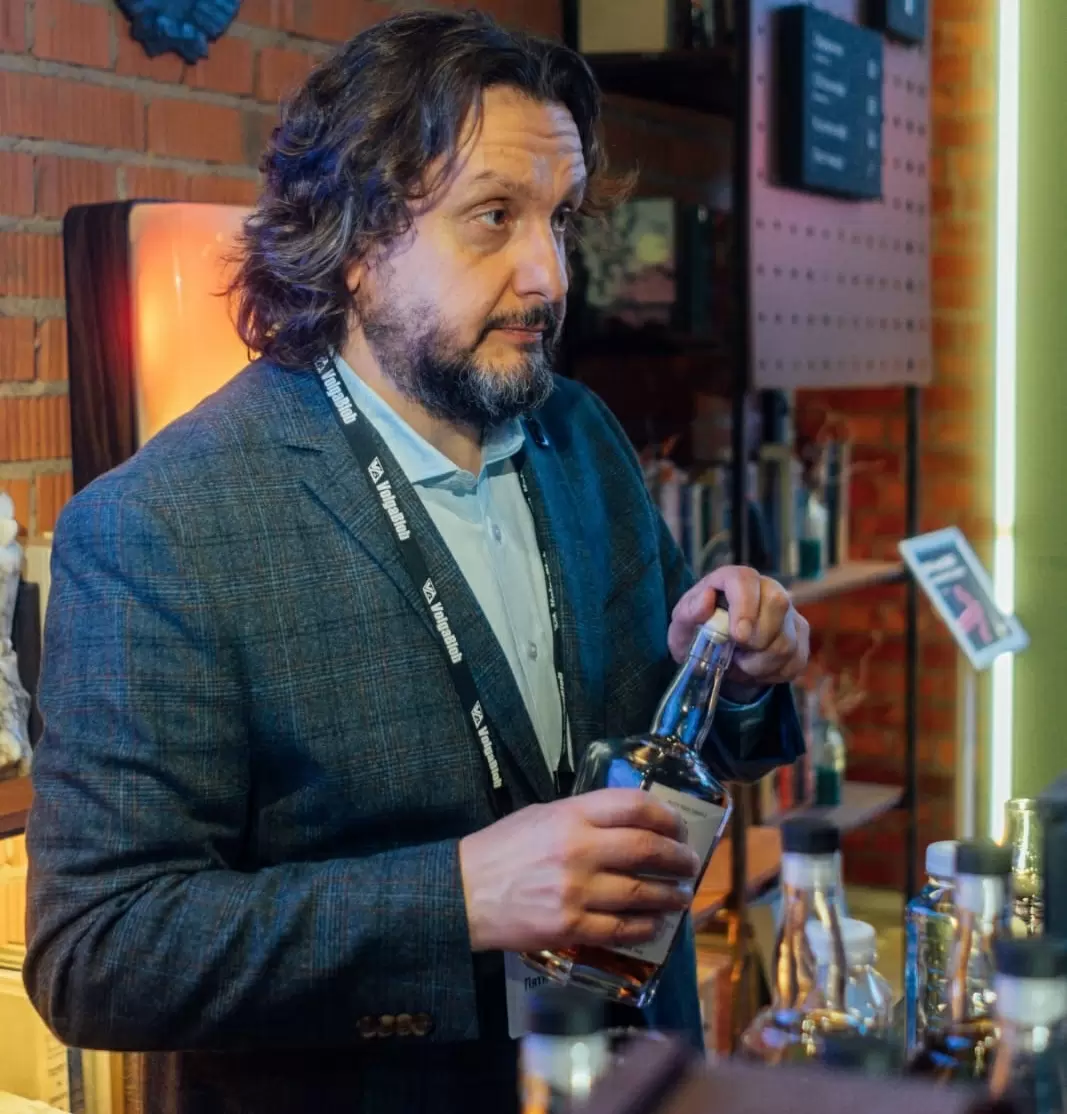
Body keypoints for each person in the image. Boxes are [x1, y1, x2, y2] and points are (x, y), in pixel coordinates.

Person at [23, 11, 809, 1114]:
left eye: (559, 218)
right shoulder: (162, 525)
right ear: (355, 240)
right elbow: (98, 951)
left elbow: (655, 757)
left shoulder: (578, 433)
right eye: (493, 217)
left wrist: (728, 673)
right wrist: (460, 897)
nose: (548, 274)